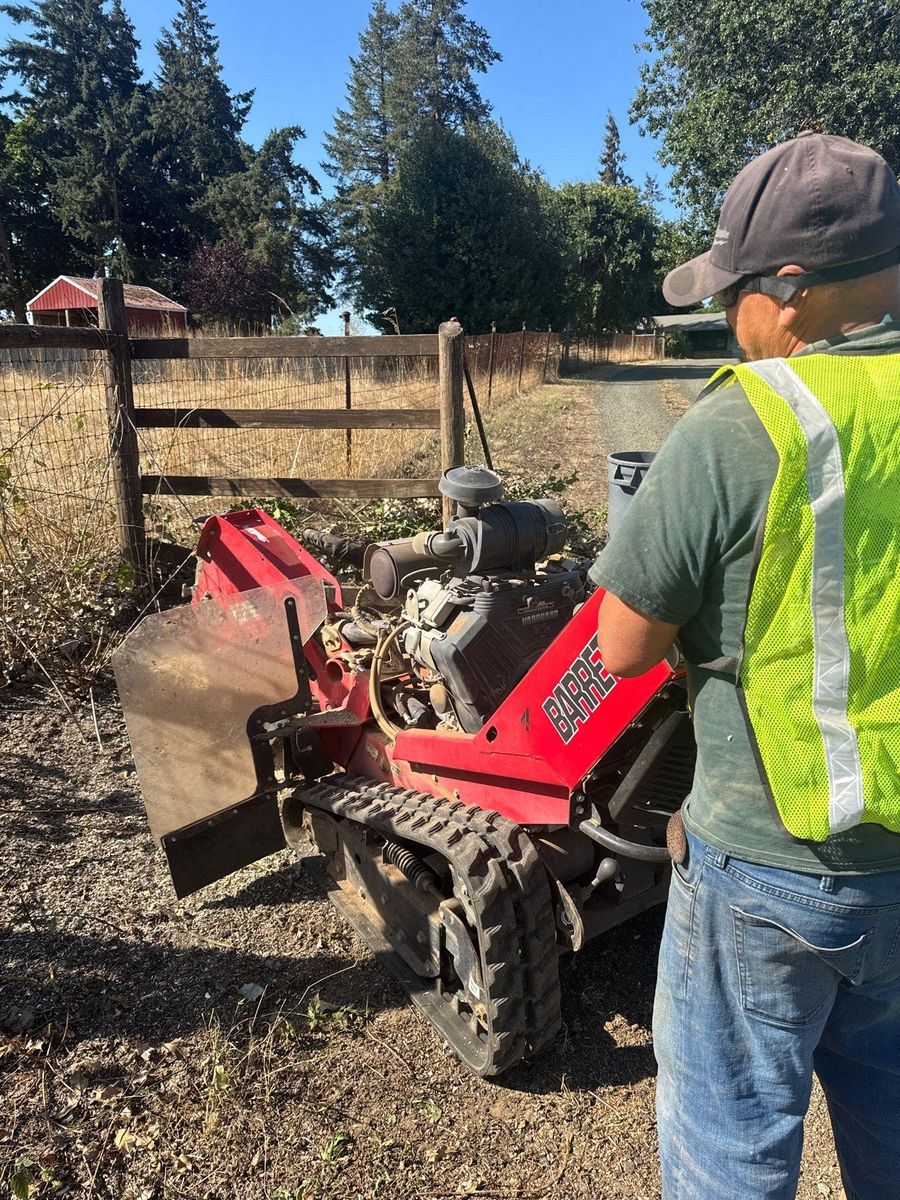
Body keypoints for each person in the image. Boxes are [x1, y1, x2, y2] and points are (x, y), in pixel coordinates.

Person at [590, 132, 900, 1200]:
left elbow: (622, 647)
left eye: (733, 293)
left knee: (731, 1143)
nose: (730, 319)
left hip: (768, 868)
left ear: (791, 289)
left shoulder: (740, 426)